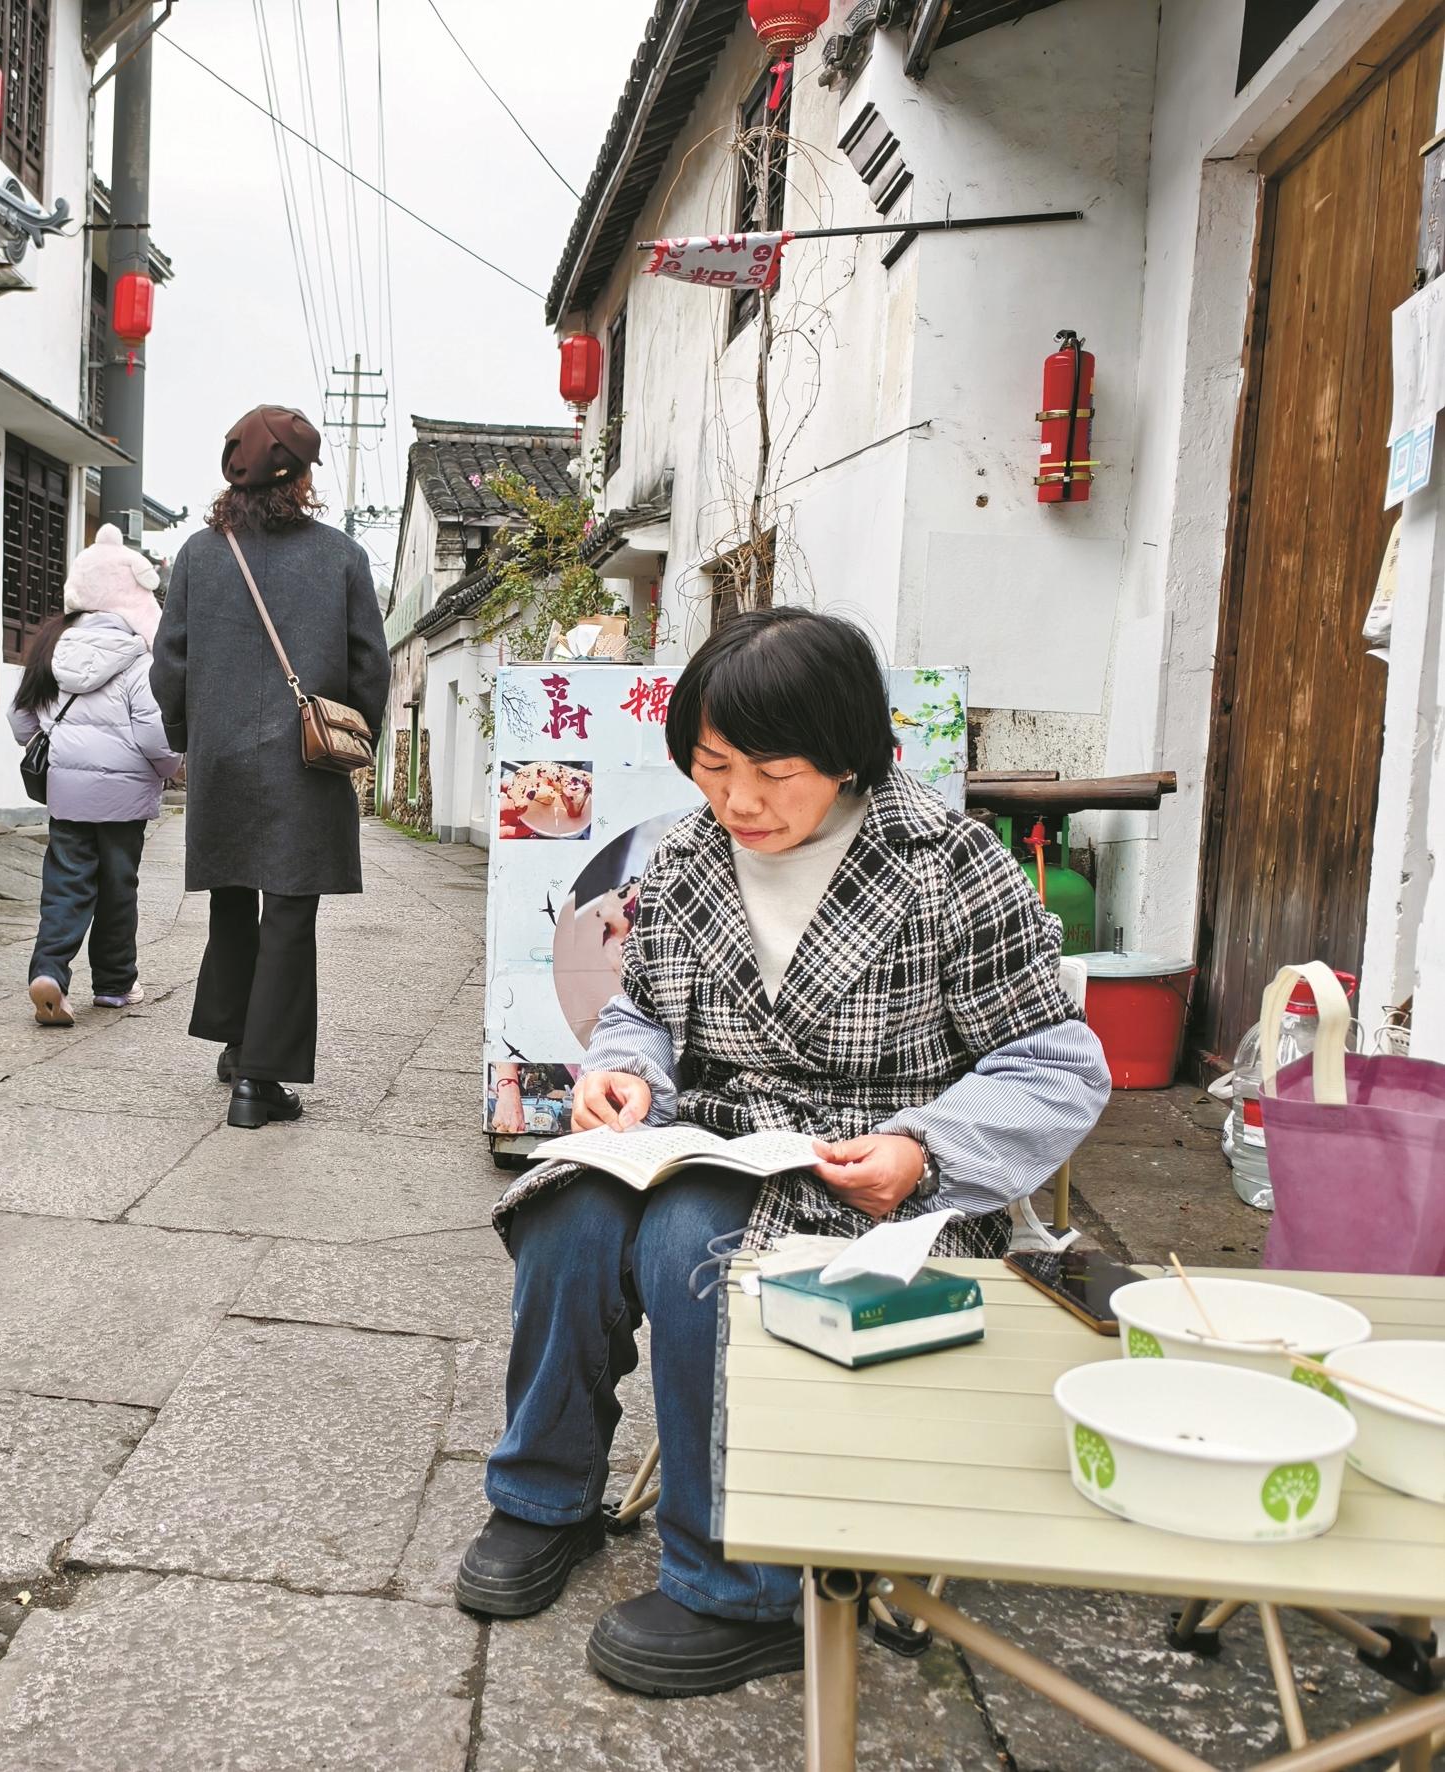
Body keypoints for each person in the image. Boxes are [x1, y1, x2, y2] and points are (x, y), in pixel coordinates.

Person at [456, 606, 1110, 1699]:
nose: (740, 800)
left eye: (773, 769)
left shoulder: (950, 864)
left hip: (889, 1172)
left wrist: (923, 1145)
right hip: (716, 1135)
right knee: (567, 1211)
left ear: (850, 754)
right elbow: (645, 1015)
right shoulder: (689, 854)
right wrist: (623, 1072)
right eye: (712, 766)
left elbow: (1055, 1067)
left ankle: (742, 1584)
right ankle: (542, 1496)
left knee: (687, 1242)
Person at [151, 405, 391, 1129]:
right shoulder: (342, 556)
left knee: (230, 898)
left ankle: (235, 1044)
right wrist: (353, 734)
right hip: (304, 757)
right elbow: (369, 666)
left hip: (222, 753)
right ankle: (259, 1080)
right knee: (288, 911)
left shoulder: (199, 552)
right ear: (303, 477)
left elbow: (170, 663)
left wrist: (191, 735)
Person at [9, 523, 181, 1027]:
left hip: (67, 793)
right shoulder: (138, 660)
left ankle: (50, 974)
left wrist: (58, 739)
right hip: (125, 800)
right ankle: (113, 985)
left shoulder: (49, 649)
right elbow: (156, 738)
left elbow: (22, 723)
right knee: (117, 887)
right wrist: (171, 769)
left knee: (65, 885)